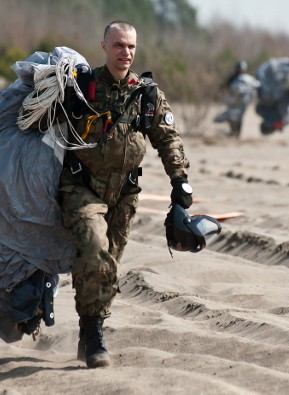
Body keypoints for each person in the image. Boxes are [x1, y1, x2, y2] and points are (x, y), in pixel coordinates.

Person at [57, 20, 193, 369]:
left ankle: (89, 331)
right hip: (81, 188)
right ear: (103, 46)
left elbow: (167, 138)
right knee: (93, 249)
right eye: (118, 45)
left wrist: (180, 183)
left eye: (131, 47)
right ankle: (96, 338)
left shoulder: (146, 94)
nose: (126, 53)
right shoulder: (82, 88)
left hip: (124, 195)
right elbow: (43, 131)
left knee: (109, 269)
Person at [214, 60, 260, 137]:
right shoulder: (233, 77)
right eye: (240, 68)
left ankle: (237, 133)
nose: (241, 70)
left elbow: (255, 87)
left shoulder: (247, 79)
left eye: (243, 68)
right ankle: (233, 131)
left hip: (243, 102)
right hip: (233, 101)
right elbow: (223, 86)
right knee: (231, 116)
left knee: (239, 117)